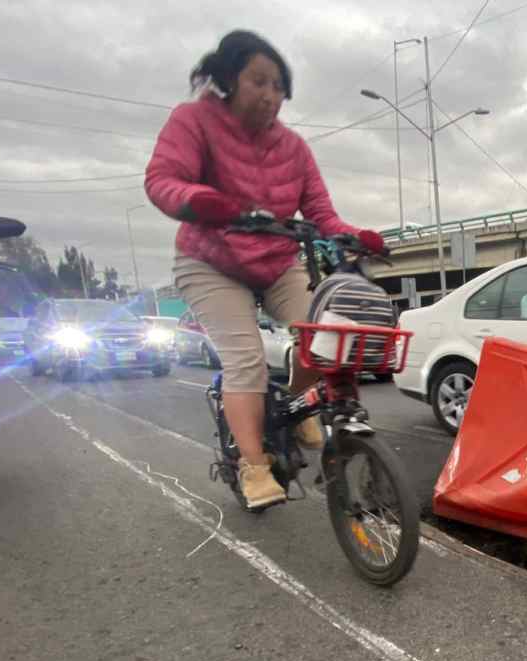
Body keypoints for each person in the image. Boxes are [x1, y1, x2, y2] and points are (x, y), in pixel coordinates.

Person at [144, 30, 385, 511]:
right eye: (260, 81)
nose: (271, 94)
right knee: (247, 358)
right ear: (228, 77)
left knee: (328, 336)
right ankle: (253, 467)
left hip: (275, 260)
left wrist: (356, 236)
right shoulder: (193, 120)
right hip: (209, 260)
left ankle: (297, 412)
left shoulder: (293, 147)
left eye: (279, 86)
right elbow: (162, 180)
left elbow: (321, 214)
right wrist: (198, 200)